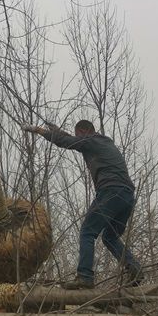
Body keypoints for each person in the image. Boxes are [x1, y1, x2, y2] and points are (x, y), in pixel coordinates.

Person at [24, 119, 143, 289]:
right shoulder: (100, 141)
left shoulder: (91, 140)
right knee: (109, 237)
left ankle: (85, 276)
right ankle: (134, 268)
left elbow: (69, 142)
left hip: (111, 191)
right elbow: (73, 140)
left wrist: (40, 131)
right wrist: (58, 130)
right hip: (126, 196)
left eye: (77, 134)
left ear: (83, 132)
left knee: (87, 231)